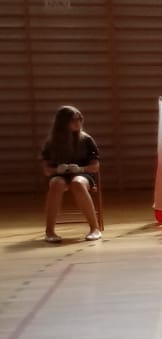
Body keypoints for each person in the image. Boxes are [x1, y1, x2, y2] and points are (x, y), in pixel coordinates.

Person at [40, 104, 102, 244]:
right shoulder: (51, 143)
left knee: (77, 183)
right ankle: (49, 231)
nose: (77, 122)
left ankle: (94, 228)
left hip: (83, 174)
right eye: (73, 120)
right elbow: (46, 169)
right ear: (63, 122)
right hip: (59, 174)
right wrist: (57, 170)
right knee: (56, 184)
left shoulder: (86, 140)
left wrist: (81, 169)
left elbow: (95, 166)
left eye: (79, 119)